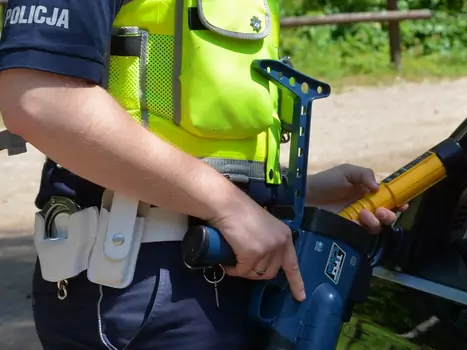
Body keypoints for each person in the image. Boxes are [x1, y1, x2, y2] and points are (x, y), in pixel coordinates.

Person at [0, 0, 407, 348]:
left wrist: (296, 198)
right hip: (139, 282)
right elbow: (40, 100)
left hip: (214, 277)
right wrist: (229, 207)